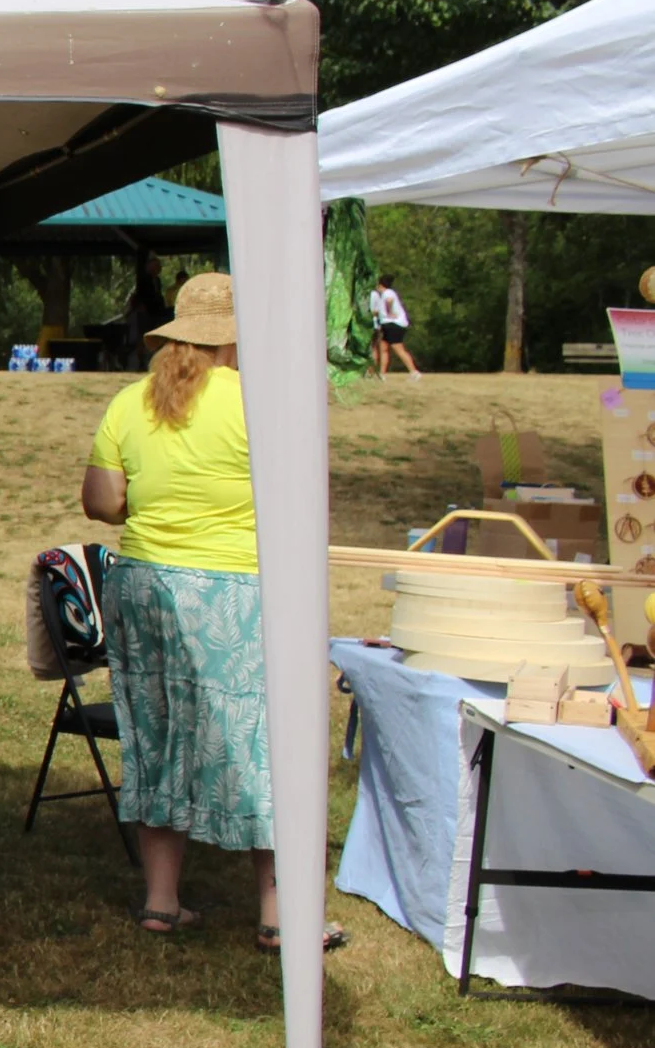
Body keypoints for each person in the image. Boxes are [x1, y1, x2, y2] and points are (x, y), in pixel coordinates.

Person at [81, 273, 343, 952]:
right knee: (265, 740)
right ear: (237, 336)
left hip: (147, 589)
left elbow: (103, 503)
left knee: (159, 734)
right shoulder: (266, 400)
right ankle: (279, 912)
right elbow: (300, 498)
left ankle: (161, 901)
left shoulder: (130, 401)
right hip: (240, 591)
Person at [370, 274, 421, 379]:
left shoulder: (388, 292)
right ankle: (382, 374)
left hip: (394, 324)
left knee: (398, 348)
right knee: (383, 348)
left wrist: (389, 312)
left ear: (380, 285)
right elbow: (378, 312)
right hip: (386, 324)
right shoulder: (383, 295)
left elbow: (389, 301)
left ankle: (414, 372)